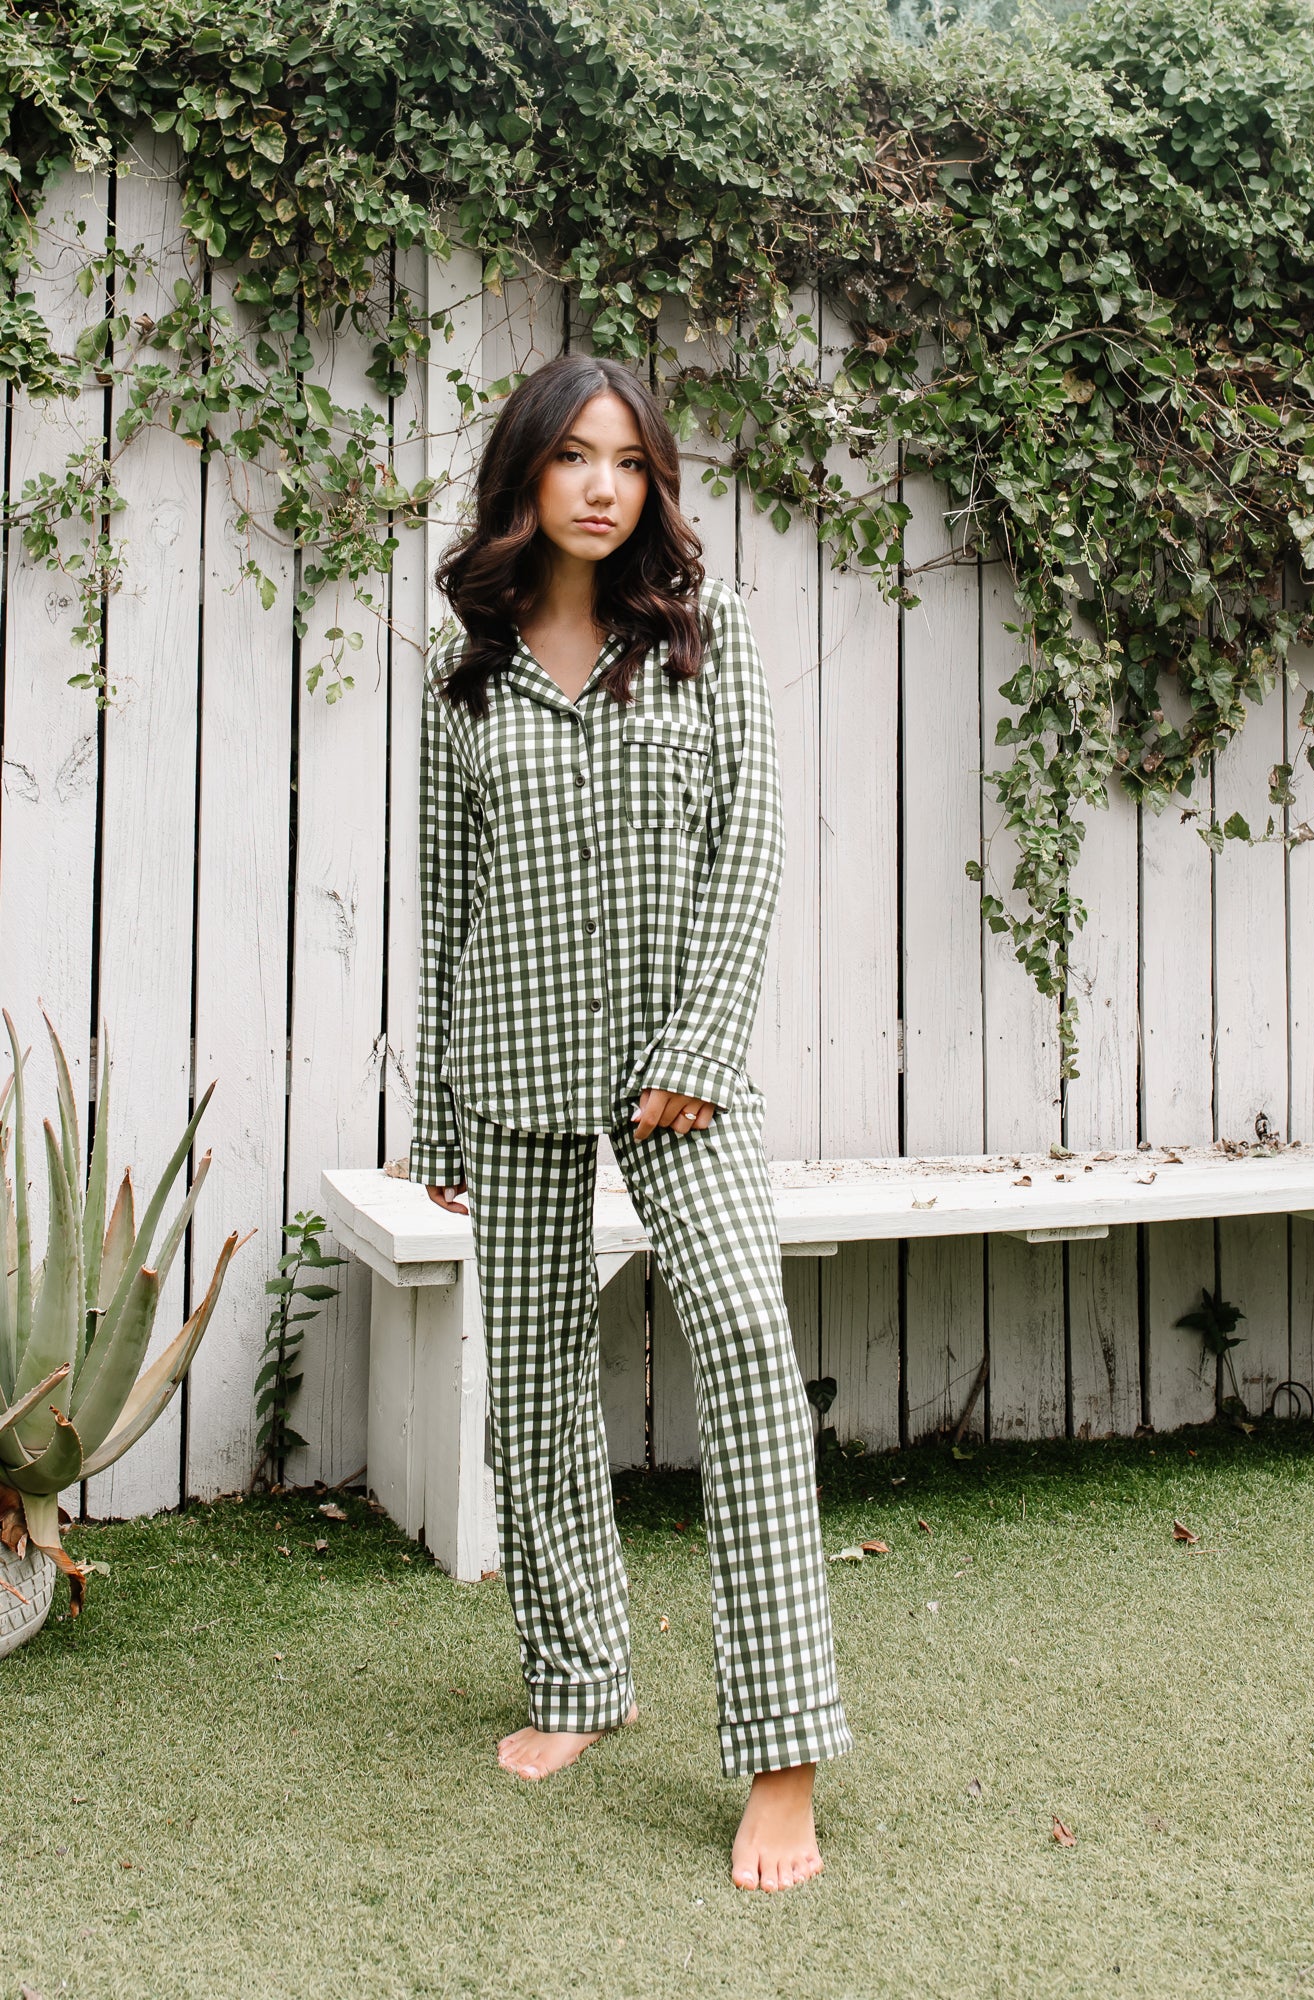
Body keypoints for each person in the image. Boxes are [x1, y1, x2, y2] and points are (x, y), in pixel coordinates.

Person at [406, 350, 851, 1892]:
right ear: (526, 475)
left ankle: (782, 1752)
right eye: (573, 458)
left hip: (682, 1072)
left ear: (654, 485)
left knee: (738, 1335)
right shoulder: (464, 674)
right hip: (511, 1060)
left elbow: (752, 849)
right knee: (529, 1384)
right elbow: (445, 899)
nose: (602, 484)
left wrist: (706, 1041)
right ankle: (581, 1679)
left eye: (629, 462)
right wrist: (437, 1121)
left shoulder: (703, 638)